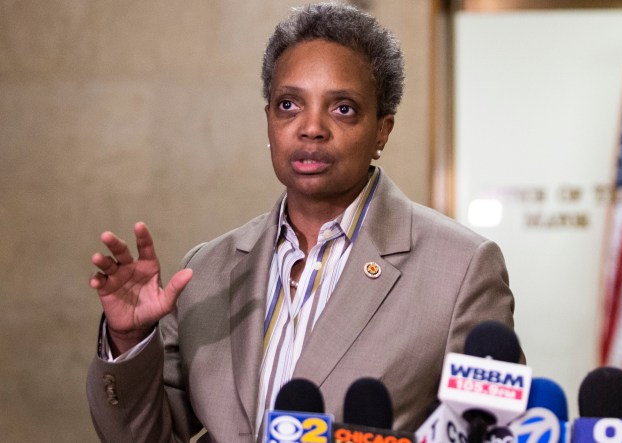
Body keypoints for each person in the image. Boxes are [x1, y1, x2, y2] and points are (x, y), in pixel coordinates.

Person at [86, 3, 519, 442]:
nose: (311, 128)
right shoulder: (207, 269)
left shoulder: (461, 269)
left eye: (343, 109)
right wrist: (131, 341)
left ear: (382, 131)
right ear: (269, 121)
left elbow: (490, 431)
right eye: (289, 104)